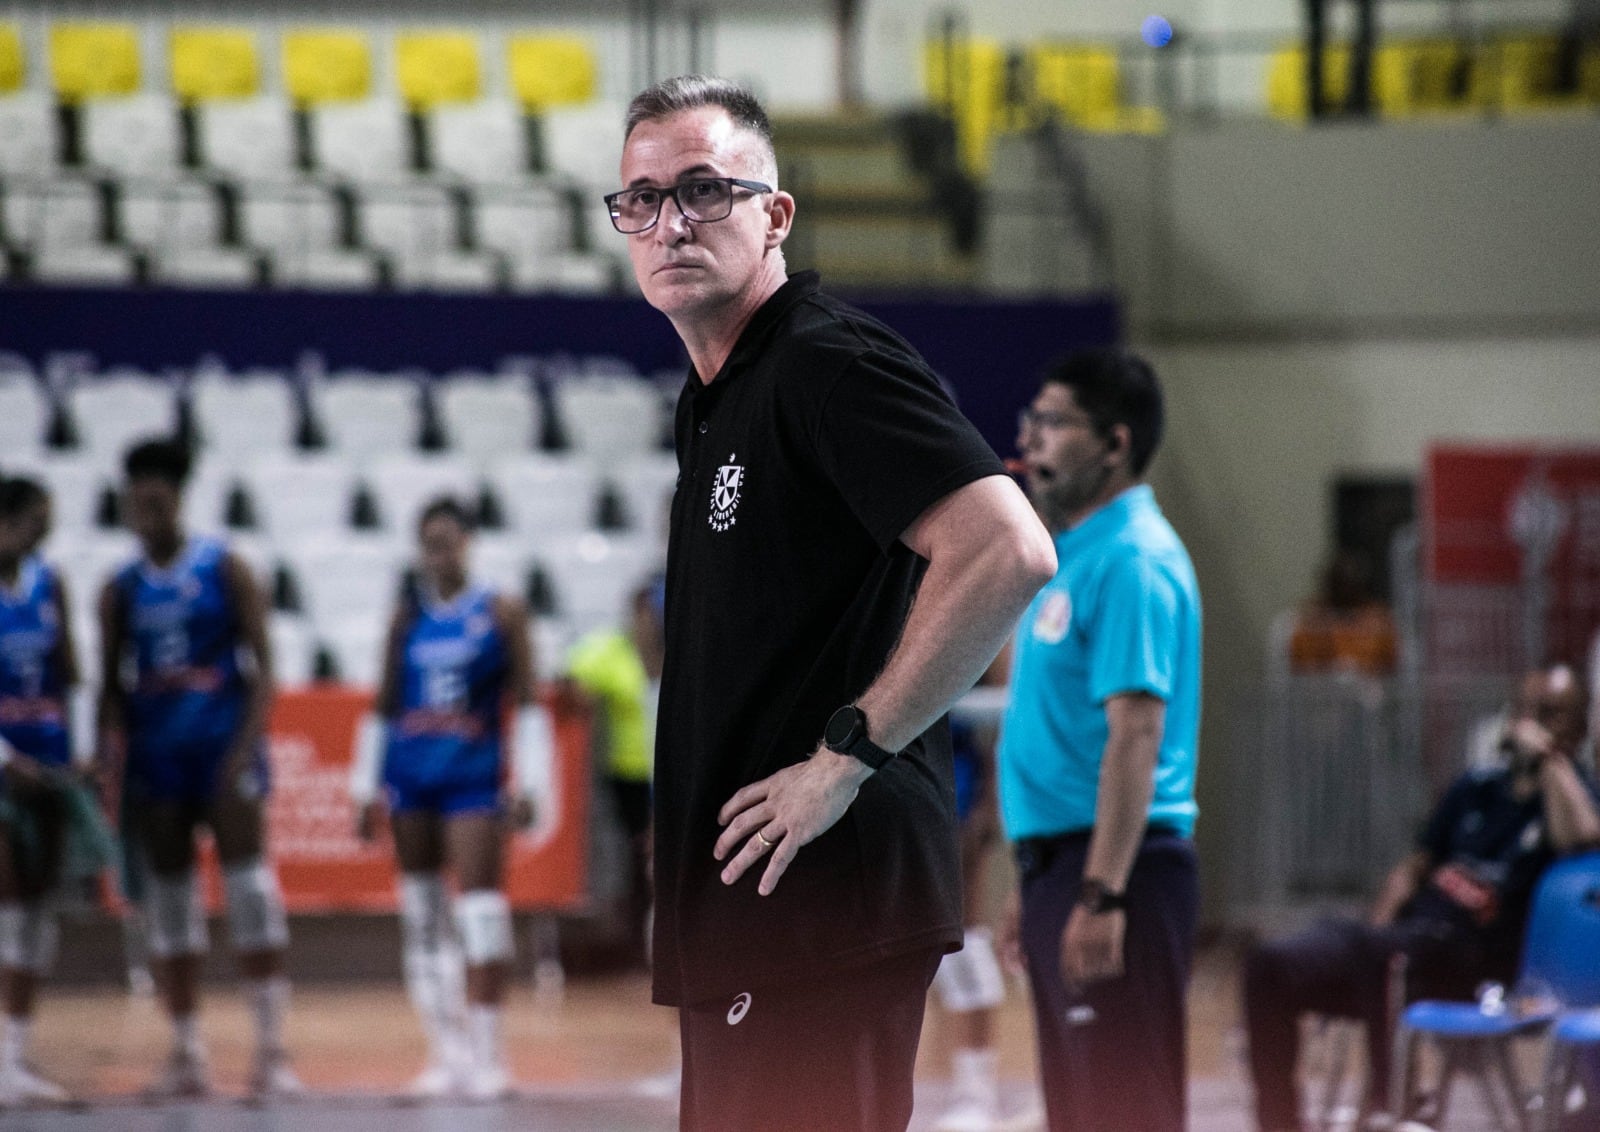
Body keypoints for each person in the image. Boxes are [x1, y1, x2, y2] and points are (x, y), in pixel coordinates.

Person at [610, 74, 1056, 1131]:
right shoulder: (718, 395)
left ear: (776, 215)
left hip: (826, 904)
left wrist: (844, 758)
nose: (672, 221)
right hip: (752, 908)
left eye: (706, 190)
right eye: (643, 197)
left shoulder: (827, 362)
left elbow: (1008, 549)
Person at [1242, 663, 1600, 1132]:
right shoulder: (1476, 786)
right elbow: (1414, 868)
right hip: (1404, 944)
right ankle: (1279, 1123)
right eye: (1523, 710)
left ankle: (1391, 1108)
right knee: (1271, 963)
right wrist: (1380, 922)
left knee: (1387, 959)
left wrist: (1552, 759)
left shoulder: (1571, 794)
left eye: (1548, 713)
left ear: (1576, 726)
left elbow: (1583, 838)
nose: (1529, 723)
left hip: (1479, 963)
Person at [997, 348, 1203, 1132]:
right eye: (1033, 421)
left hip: (1122, 873)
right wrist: (1036, 880)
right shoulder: (1074, 553)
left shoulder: (1135, 559)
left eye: (1055, 423)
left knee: (1124, 1112)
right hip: (1066, 866)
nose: (1034, 439)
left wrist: (1101, 892)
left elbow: (1136, 735)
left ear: (1115, 444)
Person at [96, 438, 299, 1099]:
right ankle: (186, 1053)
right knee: (171, 908)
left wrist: (245, 748)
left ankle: (271, 1053)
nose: (147, 509)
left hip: (223, 749)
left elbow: (265, 669)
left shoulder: (225, 568)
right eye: (137, 500)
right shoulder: (119, 589)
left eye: (158, 497)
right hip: (158, 763)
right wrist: (107, 764)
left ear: (179, 499)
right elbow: (109, 688)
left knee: (252, 896)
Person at [347, 496, 553, 1100]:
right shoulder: (404, 618)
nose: (437, 552)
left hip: (472, 779)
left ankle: (490, 1057)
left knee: (481, 914)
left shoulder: (501, 612)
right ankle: (447, 1055)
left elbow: (530, 702)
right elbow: (384, 706)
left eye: (447, 539)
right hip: (410, 780)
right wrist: (365, 787)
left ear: (468, 542)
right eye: (427, 542)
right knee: (422, 918)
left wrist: (531, 783)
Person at [0, 478, 82, 1106]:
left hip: (49, 767)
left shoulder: (50, 586)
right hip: (5, 774)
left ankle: (14, 1057)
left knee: (37, 908)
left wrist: (77, 751)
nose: (42, 536)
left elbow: (69, 674)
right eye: (32, 522)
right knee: (6, 903)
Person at [566, 576, 664, 967]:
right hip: (631, 775)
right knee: (640, 859)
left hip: (669, 776)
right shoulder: (614, 651)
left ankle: (662, 947)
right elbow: (574, 680)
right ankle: (642, 946)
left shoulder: (683, 656)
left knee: (660, 860)